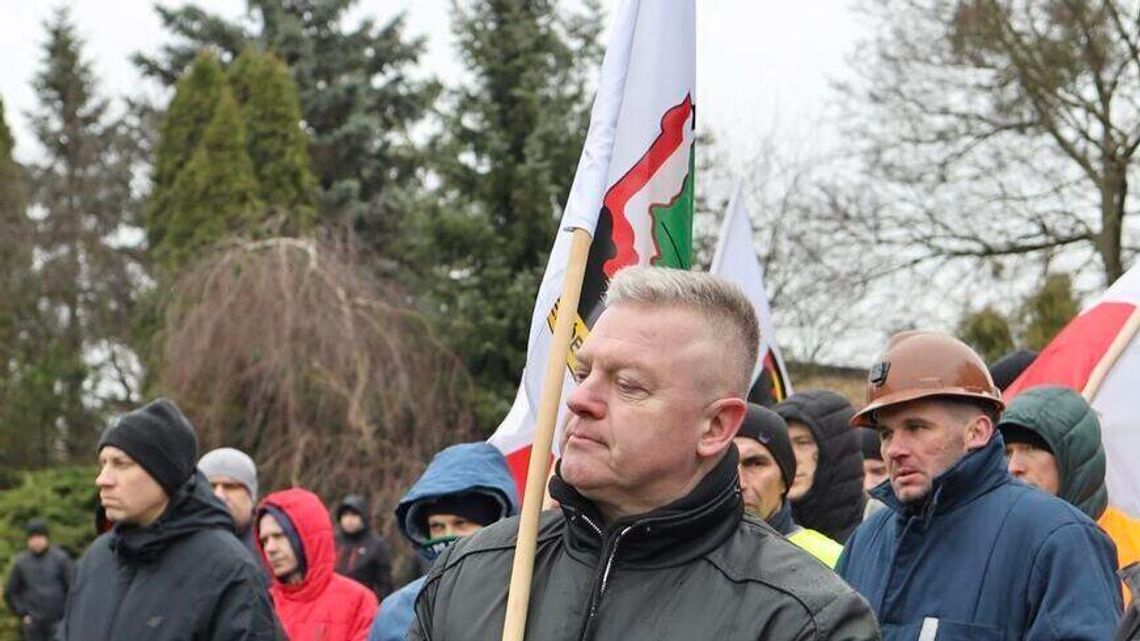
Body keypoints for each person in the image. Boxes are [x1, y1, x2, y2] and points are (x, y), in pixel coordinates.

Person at [409, 266, 879, 641]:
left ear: (715, 427)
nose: (579, 400)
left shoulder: (803, 620)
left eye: (627, 384)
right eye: (583, 372)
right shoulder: (471, 573)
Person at [837, 331, 1121, 641]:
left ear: (978, 432)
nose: (894, 449)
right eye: (886, 434)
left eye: (916, 427)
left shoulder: (1059, 538)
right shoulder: (866, 540)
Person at [57, 398, 278, 641]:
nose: (103, 479)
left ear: (163, 473)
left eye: (120, 463)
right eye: (103, 463)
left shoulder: (230, 571)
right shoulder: (96, 560)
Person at [999, 384, 1140, 602]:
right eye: (1007, 452)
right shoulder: (996, 548)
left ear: (1074, 455)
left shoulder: (1134, 546)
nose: (1013, 467)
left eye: (1030, 448)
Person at [368, 442, 518, 641]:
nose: (448, 536)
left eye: (461, 524)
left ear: (494, 525)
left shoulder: (525, 600)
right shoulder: (397, 611)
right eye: (437, 527)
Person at [258, 487, 378, 641]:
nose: (270, 548)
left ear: (306, 536)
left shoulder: (359, 602)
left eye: (279, 536)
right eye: (264, 540)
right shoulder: (262, 604)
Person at [735, 403, 844, 567]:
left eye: (756, 464)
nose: (740, 482)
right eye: (727, 465)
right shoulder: (688, 554)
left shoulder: (831, 560)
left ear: (785, 481)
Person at [773, 390, 865, 542]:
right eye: (782, 443)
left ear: (837, 451)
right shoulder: (756, 531)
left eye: (803, 443)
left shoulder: (877, 534)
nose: (790, 458)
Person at [3, 520, 72, 641]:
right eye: (33, 538)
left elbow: (73, 588)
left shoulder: (61, 559)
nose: (36, 541)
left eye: (40, 537)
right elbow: (10, 593)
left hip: (58, 622)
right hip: (33, 624)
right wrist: (23, 614)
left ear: (46, 538)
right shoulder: (21, 563)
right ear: (28, 540)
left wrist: (68, 615)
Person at [199, 447, 262, 561]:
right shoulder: (175, 548)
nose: (219, 495)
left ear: (251, 495)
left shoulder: (270, 553)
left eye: (230, 486)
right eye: (211, 486)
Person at [334, 495, 394, 600]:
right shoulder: (334, 542)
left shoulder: (376, 546)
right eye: (345, 515)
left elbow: (385, 585)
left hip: (364, 604)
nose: (349, 520)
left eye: (354, 515)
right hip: (334, 602)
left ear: (363, 517)